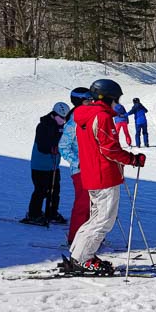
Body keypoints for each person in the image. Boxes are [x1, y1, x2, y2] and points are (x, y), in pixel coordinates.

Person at [68, 79, 146, 272]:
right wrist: (132, 159)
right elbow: (109, 149)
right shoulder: (101, 117)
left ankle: (78, 254)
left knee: (95, 217)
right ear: (109, 97)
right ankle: (83, 259)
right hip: (104, 175)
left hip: (92, 174)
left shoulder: (84, 115)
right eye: (116, 98)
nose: (117, 103)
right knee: (104, 220)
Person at [22, 101, 70, 226]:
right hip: (40, 165)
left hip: (53, 165)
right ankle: (34, 214)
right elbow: (42, 146)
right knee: (41, 190)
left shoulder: (62, 127)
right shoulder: (43, 126)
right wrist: (52, 149)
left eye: (65, 118)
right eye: (61, 117)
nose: (63, 120)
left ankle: (52, 213)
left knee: (54, 190)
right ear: (54, 115)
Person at [58, 87, 91, 243]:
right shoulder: (73, 121)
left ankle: (89, 238)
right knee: (83, 204)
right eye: (87, 100)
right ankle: (75, 239)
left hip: (92, 168)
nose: (91, 103)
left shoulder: (88, 117)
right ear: (79, 102)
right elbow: (63, 146)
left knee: (94, 204)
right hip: (80, 170)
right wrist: (78, 162)